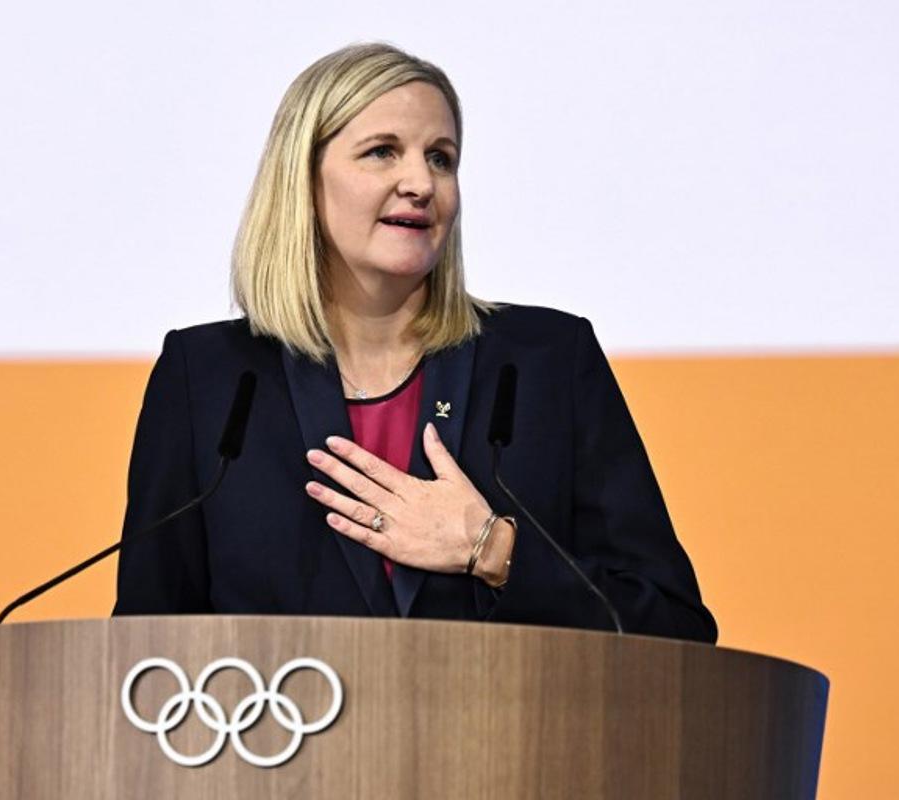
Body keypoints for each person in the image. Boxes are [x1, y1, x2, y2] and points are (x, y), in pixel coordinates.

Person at [112, 43, 716, 643]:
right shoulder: (209, 379)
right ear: (302, 179)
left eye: (441, 158)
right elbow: (142, 647)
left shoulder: (547, 362)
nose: (422, 183)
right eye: (382, 152)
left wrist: (492, 550)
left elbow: (675, 627)